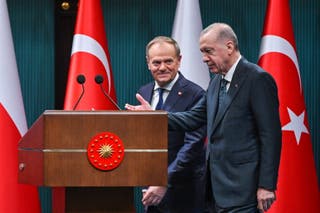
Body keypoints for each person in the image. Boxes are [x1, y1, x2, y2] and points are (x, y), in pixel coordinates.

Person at [126, 23, 282, 213]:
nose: (204, 59)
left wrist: (266, 185)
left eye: (208, 51)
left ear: (229, 47)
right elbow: (193, 118)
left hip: (244, 189)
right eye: (202, 52)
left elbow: (271, 136)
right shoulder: (216, 81)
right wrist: (155, 117)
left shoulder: (257, 79)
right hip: (215, 190)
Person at [137, 36, 207, 213]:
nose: (162, 67)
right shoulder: (143, 92)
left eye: (168, 61)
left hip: (184, 190)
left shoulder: (196, 94)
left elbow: (193, 145)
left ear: (179, 60)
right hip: (151, 188)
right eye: (156, 62)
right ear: (148, 63)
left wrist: (164, 180)